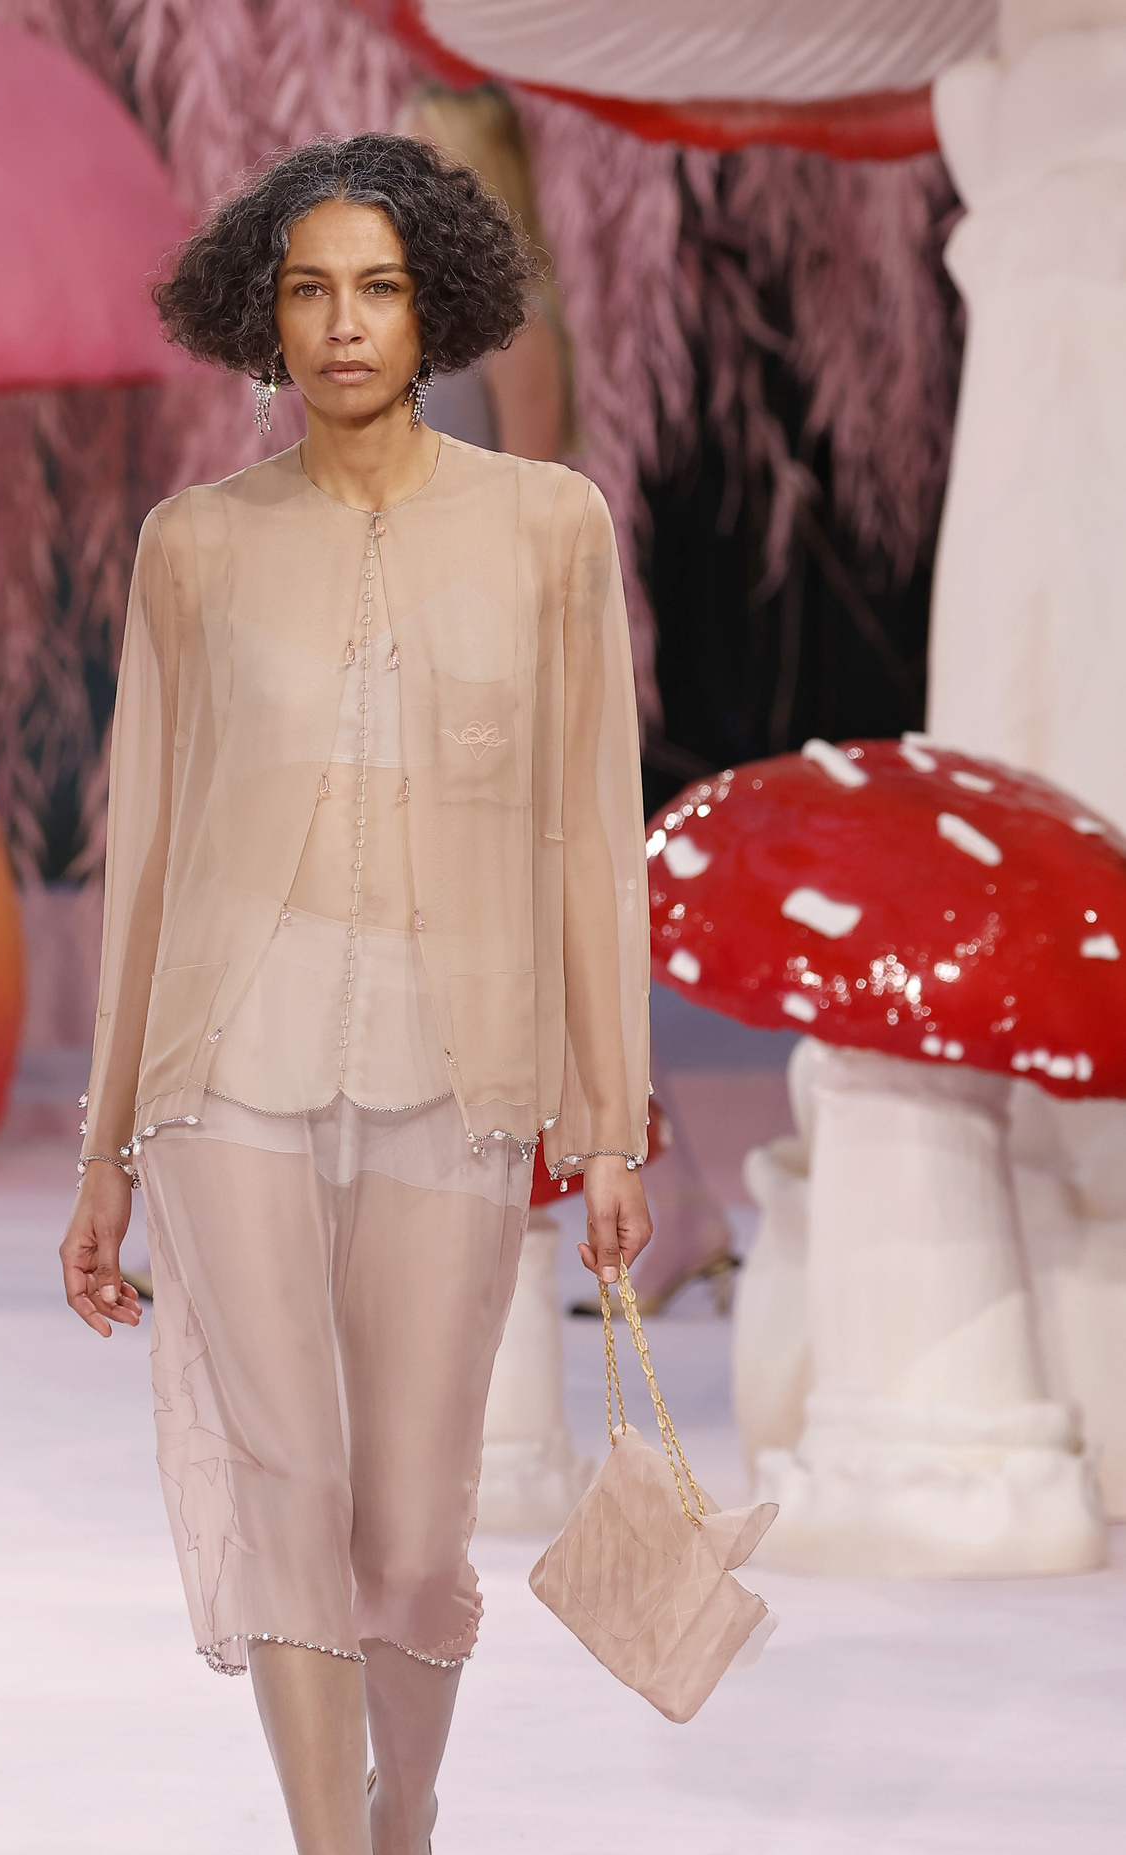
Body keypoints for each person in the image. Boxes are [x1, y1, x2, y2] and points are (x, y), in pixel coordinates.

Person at [59, 135, 651, 1855]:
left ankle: (401, 1833)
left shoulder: (546, 527)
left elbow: (585, 830)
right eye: (306, 289)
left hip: (454, 1055)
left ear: (436, 306)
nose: (338, 325)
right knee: (293, 1494)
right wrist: (101, 1154)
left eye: (376, 288)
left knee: (407, 1534)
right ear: (260, 311)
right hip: (223, 1056)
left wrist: (611, 1112)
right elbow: (145, 848)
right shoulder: (194, 546)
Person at [403, 83, 737, 1313]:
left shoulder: (510, 326)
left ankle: (675, 1207)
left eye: (424, 156)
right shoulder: (425, 323)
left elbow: (532, 506)